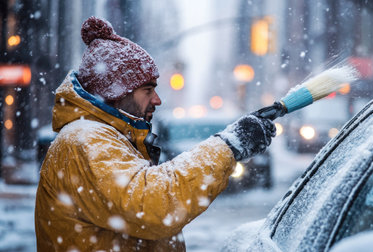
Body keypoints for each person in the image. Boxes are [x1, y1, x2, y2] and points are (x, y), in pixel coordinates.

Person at [35, 16, 275, 251]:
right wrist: (228, 145)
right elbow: (152, 205)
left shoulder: (104, 136)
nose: (157, 100)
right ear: (116, 92)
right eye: (147, 90)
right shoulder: (85, 140)